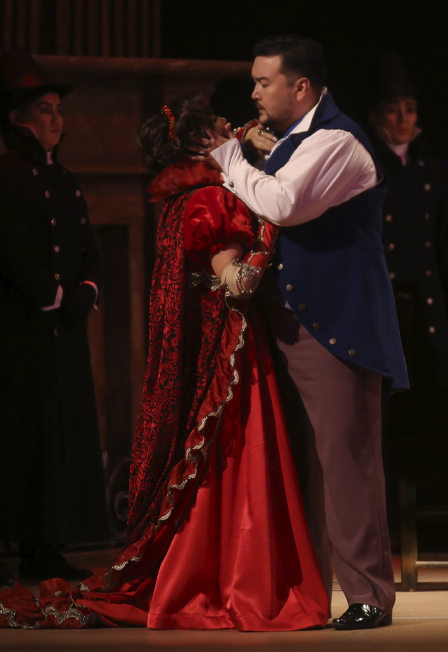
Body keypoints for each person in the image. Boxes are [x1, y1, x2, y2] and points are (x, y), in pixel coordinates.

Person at [0, 94, 329, 631]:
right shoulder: (210, 201)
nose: (235, 125)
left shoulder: (186, 198)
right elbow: (237, 282)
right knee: (232, 464)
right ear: (202, 142)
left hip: (220, 352)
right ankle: (235, 579)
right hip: (231, 361)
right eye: (223, 124)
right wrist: (272, 225)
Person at [207, 35, 409, 630]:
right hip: (284, 323)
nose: (253, 92)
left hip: (335, 325)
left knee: (346, 464)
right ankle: (306, 593)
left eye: (262, 81)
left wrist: (227, 157)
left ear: (300, 87)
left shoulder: (338, 140)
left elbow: (283, 203)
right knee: (298, 467)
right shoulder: (289, 141)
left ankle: (369, 594)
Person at [0, 47, 108, 586]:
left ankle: (46, 549)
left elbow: (88, 248)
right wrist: (56, 296)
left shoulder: (65, 179)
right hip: (20, 331)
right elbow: (10, 253)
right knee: (21, 435)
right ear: (17, 117)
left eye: (58, 110)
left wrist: (86, 290)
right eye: (45, 109)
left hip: (62, 331)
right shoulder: (7, 174)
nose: (56, 119)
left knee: (59, 436)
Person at [368, 54, 448, 538]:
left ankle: (430, 524)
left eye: (410, 108)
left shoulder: (432, 167)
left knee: (429, 412)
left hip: (427, 306)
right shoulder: (366, 165)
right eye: (393, 107)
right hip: (383, 304)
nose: (403, 117)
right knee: (387, 419)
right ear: (377, 113)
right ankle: (391, 528)